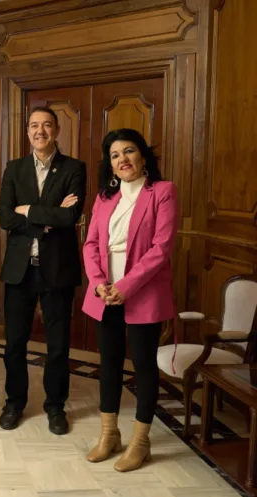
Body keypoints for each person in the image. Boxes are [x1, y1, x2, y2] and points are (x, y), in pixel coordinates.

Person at [82, 128, 177, 472]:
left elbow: (161, 248)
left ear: (144, 157)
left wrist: (127, 286)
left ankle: (140, 443)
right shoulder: (104, 198)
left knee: (143, 365)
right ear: (110, 164)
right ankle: (109, 435)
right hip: (104, 294)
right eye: (115, 155)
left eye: (129, 151)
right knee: (107, 364)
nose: (123, 159)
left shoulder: (162, 192)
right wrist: (98, 283)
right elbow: (91, 244)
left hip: (143, 293)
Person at [0, 106, 86, 435]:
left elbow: (70, 217)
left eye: (46, 125)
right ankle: (14, 403)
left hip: (58, 269)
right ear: (27, 131)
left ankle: (55, 407)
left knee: (58, 345)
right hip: (20, 269)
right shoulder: (14, 168)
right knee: (14, 344)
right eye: (34, 125)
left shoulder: (74, 168)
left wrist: (30, 211)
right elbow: (6, 218)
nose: (40, 131)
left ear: (57, 130)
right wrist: (47, 219)